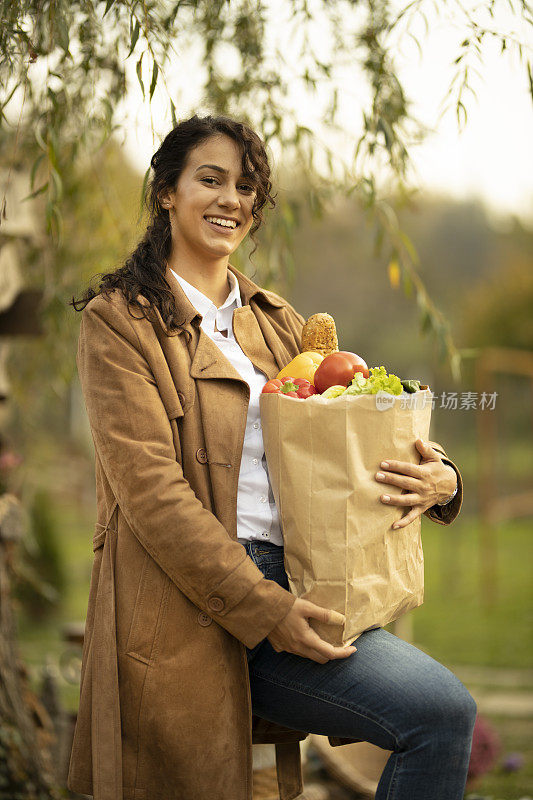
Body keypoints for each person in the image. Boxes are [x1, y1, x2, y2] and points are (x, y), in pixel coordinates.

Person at [68, 114, 476, 800]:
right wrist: (264, 610)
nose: (232, 198)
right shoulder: (120, 321)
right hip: (196, 609)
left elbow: (345, 432)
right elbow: (151, 495)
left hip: (306, 586)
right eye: (211, 179)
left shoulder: (276, 321)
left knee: (440, 712)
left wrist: (441, 476)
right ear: (167, 191)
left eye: (247, 186)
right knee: (437, 714)